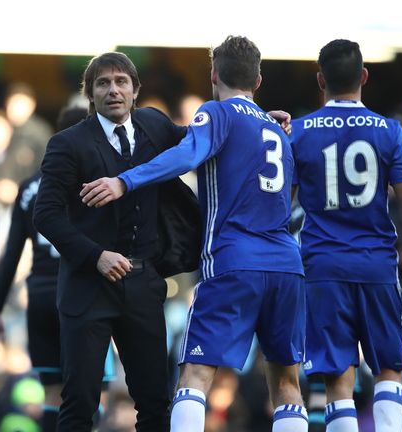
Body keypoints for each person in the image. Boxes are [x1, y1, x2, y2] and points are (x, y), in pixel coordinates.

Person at [80, 36, 307, 432]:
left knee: (195, 377)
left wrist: (125, 181)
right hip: (287, 266)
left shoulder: (217, 113)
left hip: (233, 262)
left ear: (214, 75)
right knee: (286, 384)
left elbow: (186, 155)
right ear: (258, 79)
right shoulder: (276, 129)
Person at [33, 51, 192, 431]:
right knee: (80, 404)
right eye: (102, 83)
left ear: (136, 90)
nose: (113, 90)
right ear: (90, 93)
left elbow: (199, 139)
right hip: (87, 288)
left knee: (155, 402)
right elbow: (46, 215)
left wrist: (260, 122)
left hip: (142, 285)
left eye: (121, 82)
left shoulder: (154, 125)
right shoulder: (66, 144)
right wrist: (96, 256)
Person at [289, 39, 402, 432]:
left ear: (320, 80)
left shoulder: (299, 132)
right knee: (389, 367)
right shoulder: (390, 133)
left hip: (321, 266)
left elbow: (281, 208)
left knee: (338, 377)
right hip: (376, 265)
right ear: (364, 76)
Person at [0, 105, 118, 432]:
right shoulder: (96, 184)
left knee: (53, 393)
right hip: (83, 297)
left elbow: (10, 255)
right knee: (92, 393)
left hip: (38, 297)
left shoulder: (28, 187)